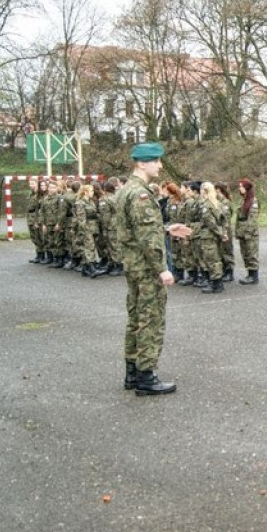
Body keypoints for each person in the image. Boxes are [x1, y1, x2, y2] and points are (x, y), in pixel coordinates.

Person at [115, 142, 192, 396]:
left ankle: (132, 373)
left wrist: (167, 229)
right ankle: (146, 377)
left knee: (136, 318)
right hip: (147, 268)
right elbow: (146, 238)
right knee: (151, 320)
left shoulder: (127, 190)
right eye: (156, 161)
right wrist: (162, 268)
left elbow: (137, 230)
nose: (160, 165)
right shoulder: (141, 194)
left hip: (134, 265)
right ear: (141, 163)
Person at [197, 182, 228, 294]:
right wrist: (223, 232)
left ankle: (216, 283)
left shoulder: (206, 205)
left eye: (201, 190)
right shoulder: (218, 204)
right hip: (215, 235)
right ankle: (216, 282)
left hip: (209, 235)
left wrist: (221, 233)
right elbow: (225, 220)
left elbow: (210, 223)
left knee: (211, 260)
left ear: (204, 192)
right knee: (216, 258)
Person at [236, 178, 260, 285]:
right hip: (242, 232)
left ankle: (253, 276)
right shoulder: (243, 200)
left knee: (251, 253)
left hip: (249, 233)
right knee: (245, 253)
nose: (239, 188)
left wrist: (248, 233)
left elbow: (252, 220)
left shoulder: (253, 202)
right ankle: (249, 274)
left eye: (241, 186)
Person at [214, 182, 236, 282]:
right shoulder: (217, 201)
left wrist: (224, 231)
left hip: (226, 229)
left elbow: (226, 217)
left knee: (227, 251)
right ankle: (223, 270)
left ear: (218, 190)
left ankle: (229, 272)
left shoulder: (225, 202)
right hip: (220, 229)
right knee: (220, 251)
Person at [27, 176, 46, 263]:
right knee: (34, 237)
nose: (31, 185)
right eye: (30, 183)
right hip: (30, 217)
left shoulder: (39, 195)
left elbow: (39, 208)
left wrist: (37, 220)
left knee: (40, 237)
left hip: (36, 217)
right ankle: (38, 255)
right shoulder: (31, 194)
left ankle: (42, 255)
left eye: (33, 183)